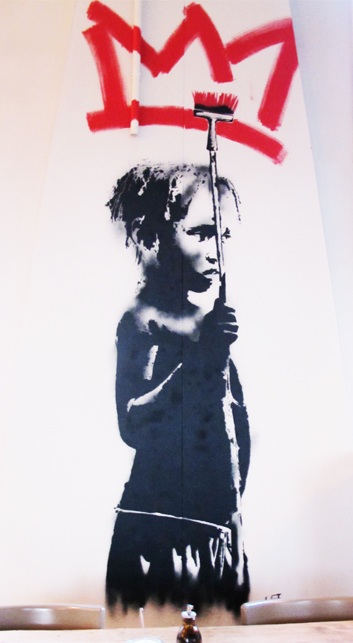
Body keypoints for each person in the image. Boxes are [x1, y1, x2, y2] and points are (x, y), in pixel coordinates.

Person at [105, 163, 250, 615]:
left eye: (223, 236)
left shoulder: (203, 323)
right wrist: (202, 357)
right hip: (160, 534)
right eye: (202, 233)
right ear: (150, 236)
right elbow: (133, 422)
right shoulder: (142, 320)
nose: (216, 252)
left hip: (217, 532)